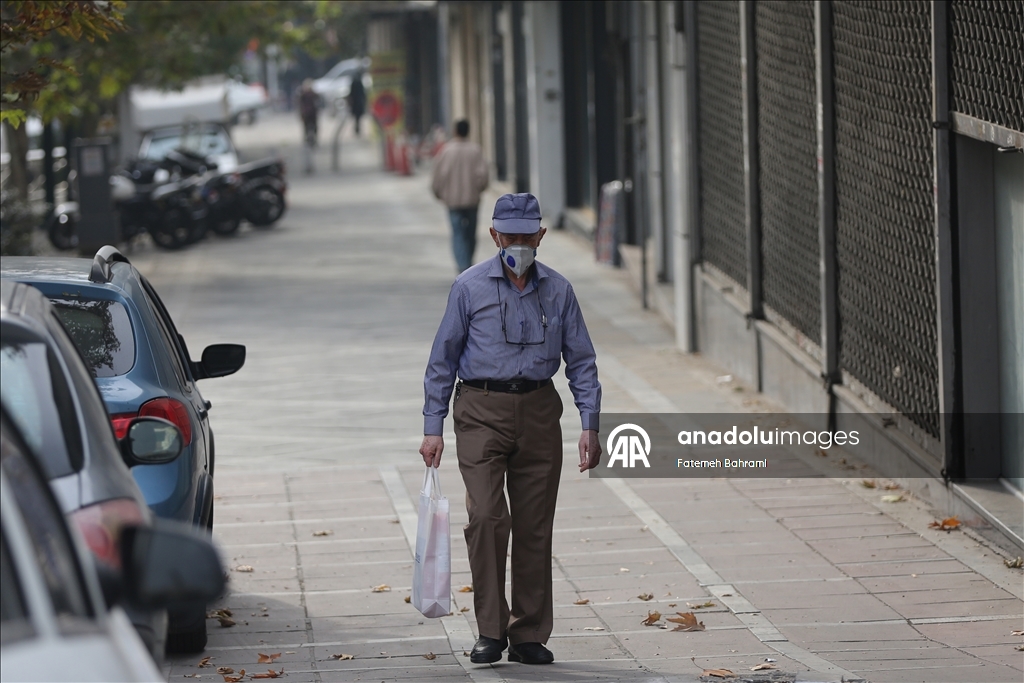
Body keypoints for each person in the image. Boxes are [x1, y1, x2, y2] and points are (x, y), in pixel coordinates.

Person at [420, 193, 603, 666]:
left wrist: (590, 423)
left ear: (540, 236)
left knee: (534, 527)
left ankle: (527, 633)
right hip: (480, 409)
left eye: (527, 235)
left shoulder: (559, 290)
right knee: (485, 517)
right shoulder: (468, 287)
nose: (518, 243)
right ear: (494, 235)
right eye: (510, 235)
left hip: (541, 410)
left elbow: (581, 360)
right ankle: (489, 629)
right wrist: (432, 426)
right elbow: (442, 360)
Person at [431, 120, 489, 273]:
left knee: (458, 233)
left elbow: (438, 176)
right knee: (471, 233)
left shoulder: (446, 151)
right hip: (472, 200)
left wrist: (438, 193)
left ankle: (462, 265)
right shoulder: (475, 151)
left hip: (453, 201)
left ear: (455, 131)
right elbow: (483, 175)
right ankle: (468, 261)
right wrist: (479, 189)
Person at [298, 79, 319, 173]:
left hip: (312, 114)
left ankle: (313, 139)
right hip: (307, 114)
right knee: (307, 129)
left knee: (314, 128)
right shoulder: (303, 95)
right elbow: (300, 105)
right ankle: (308, 139)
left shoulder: (312, 94)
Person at [346, 70, 367, 136]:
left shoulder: (355, 83)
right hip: (358, 102)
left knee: (357, 117)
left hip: (356, 103)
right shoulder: (358, 83)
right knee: (357, 117)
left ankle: (357, 128)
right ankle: (357, 128)